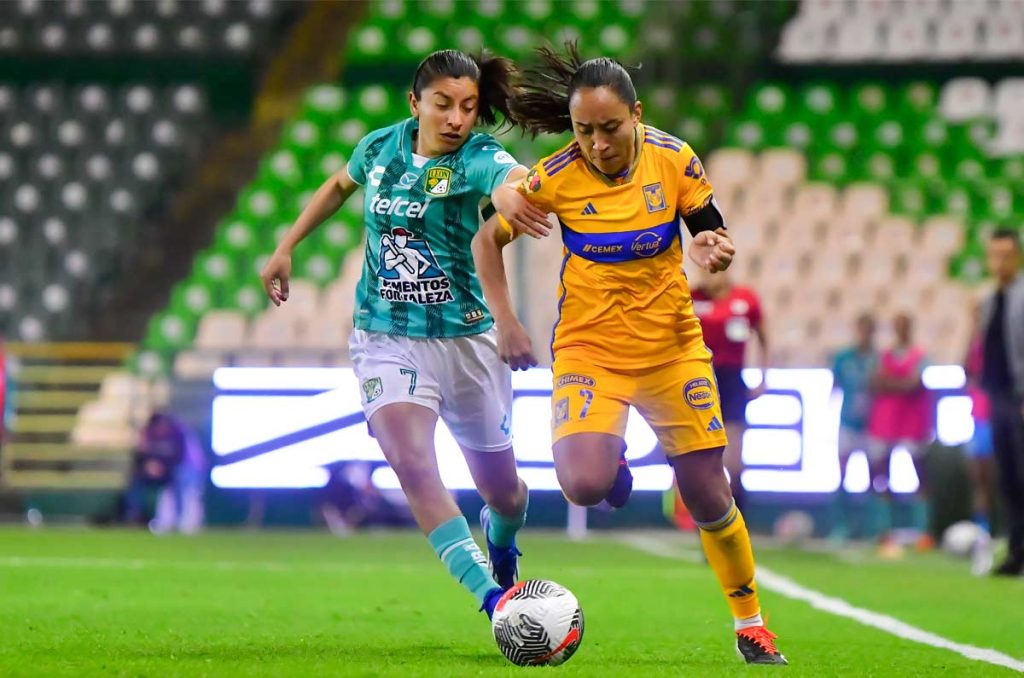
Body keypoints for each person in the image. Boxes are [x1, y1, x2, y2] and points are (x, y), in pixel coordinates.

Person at [473, 43, 786, 665]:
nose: (597, 144)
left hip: (671, 349)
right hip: (589, 350)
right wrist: (505, 321)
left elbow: (709, 227)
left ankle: (751, 624)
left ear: (636, 115)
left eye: (609, 128)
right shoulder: (555, 177)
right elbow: (487, 239)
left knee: (707, 493)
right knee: (583, 486)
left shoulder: (674, 159)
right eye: (583, 130)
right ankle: (611, 458)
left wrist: (712, 248)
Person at [260, 50, 551, 620]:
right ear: (415, 103)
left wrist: (512, 193)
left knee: (505, 493)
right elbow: (337, 186)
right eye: (443, 104)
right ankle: (493, 600)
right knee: (412, 462)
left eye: (468, 107)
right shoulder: (378, 148)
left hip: (467, 343)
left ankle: (502, 537)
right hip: (385, 337)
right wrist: (286, 245)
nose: (457, 119)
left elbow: (509, 178)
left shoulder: (477, 156)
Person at [691, 269, 768, 513]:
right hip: (700, 380)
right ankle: (706, 521)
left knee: (734, 460)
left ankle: (738, 516)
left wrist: (763, 377)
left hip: (732, 380)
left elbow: (763, 337)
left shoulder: (745, 299)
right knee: (702, 459)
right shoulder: (692, 297)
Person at [977, 229, 1024, 576]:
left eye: (1006, 255)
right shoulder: (989, 300)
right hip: (998, 397)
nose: (1000, 262)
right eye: (994, 255)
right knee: (1008, 478)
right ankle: (1016, 550)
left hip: (1019, 396)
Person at [867, 313, 933, 556]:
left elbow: (914, 384)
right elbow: (875, 383)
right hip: (886, 422)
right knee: (882, 476)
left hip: (912, 422)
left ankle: (922, 531)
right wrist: (901, 383)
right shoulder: (884, 356)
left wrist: (891, 383)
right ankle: (884, 530)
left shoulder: (919, 356)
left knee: (919, 474)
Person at [828, 313, 878, 543]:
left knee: (873, 476)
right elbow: (835, 386)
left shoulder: (878, 359)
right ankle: (841, 525)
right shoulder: (844, 358)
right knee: (842, 472)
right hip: (848, 422)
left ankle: (870, 528)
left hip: (872, 424)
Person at [122, 412, 206, 534]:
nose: (160, 429)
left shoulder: (178, 433)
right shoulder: (147, 434)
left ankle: (181, 520)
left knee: (181, 482)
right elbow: (139, 458)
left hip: (179, 470)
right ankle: (133, 516)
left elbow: (179, 457)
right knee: (135, 481)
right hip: (155, 472)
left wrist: (163, 467)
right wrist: (148, 465)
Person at [963, 315, 995, 574]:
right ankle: (983, 533)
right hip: (981, 418)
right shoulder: (975, 346)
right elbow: (967, 371)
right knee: (980, 479)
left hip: (1002, 416)